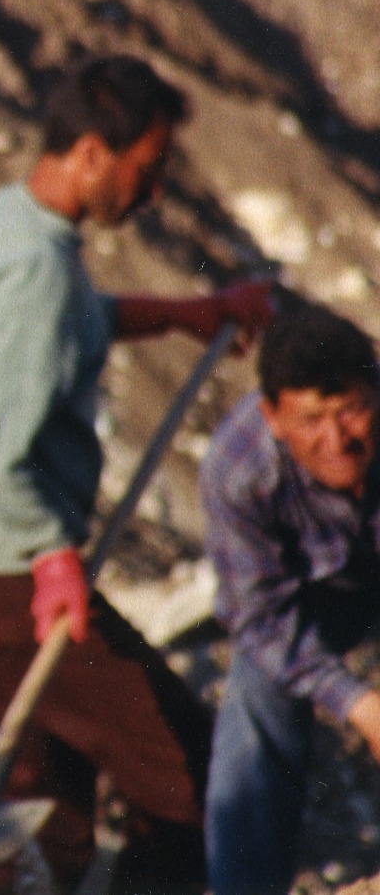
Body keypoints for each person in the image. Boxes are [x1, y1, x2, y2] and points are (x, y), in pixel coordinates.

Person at [0, 54, 274, 893]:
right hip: (0, 568)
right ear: (94, 152)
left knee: (47, 790)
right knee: (188, 770)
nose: (155, 191)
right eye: (148, 167)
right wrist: (52, 554)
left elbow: (70, 322)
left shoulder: (2, 223)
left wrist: (184, 314)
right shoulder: (34, 271)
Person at [202, 302, 380, 895]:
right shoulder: (239, 470)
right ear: (272, 417)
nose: (337, 439)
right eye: (311, 419)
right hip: (314, 600)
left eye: (352, 410)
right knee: (258, 693)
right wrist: (360, 705)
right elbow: (260, 620)